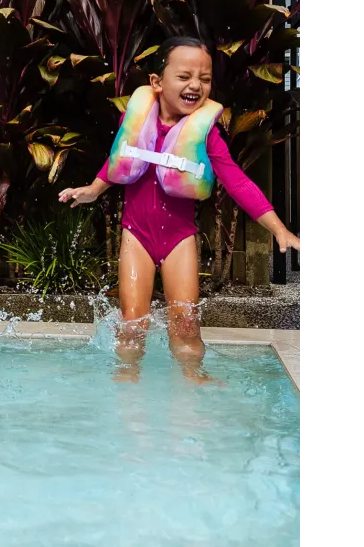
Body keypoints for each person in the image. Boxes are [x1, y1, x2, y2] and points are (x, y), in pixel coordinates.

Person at [58, 36, 300, 382]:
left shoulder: (205, 133)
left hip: (179, 238)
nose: (195, 85)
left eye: (205, 78)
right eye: (184, 76)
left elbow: (236, 181)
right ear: (157, 82)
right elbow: (120, 160)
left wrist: (278, 228)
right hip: (136, 235)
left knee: (186, 324)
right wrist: (94, 190)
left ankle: (193, 376)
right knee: (133, 323)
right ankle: (127, 377)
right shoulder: (137, 119)